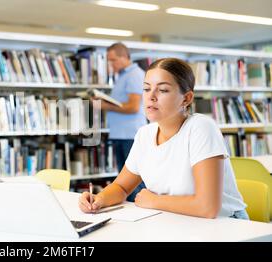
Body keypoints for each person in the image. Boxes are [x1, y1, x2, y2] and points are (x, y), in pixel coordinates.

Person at [80, 58, 248, 219]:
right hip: (177, 221)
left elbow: (208, 208)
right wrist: (99, 199)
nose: (151, 96)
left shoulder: (201, 128)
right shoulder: (144, 134)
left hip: (226, 223)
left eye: (163, 90)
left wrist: (154, 201)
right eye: (146, 89)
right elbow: (121, 187)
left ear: (187, 98)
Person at [93, 42, 147, 202]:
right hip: (120, 135)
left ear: (124, 57)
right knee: (123, 183)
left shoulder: (135, 75)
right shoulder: (122, 76)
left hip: (130, 136)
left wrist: (105, 106)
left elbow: (133, 107)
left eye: (113, 60)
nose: (110, 64)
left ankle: (139, 215)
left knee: (134, 183)